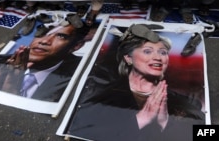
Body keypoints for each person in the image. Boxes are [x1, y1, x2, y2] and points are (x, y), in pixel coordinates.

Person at [65, 24, 205, 141]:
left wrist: (166, 123)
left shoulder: (185, 101)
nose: (158, 57)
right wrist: (140, 119)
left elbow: (208, 133)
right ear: (128, 58)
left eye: (163, 52)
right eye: (147, 51)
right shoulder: (100, 94)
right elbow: (82, 130)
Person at [0, 14, 91, 102]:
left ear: (76, 46)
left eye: (60, 36)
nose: (44, 41)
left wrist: (11, 90)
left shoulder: (82, 78)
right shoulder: (1, 61)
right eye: (42, 33)